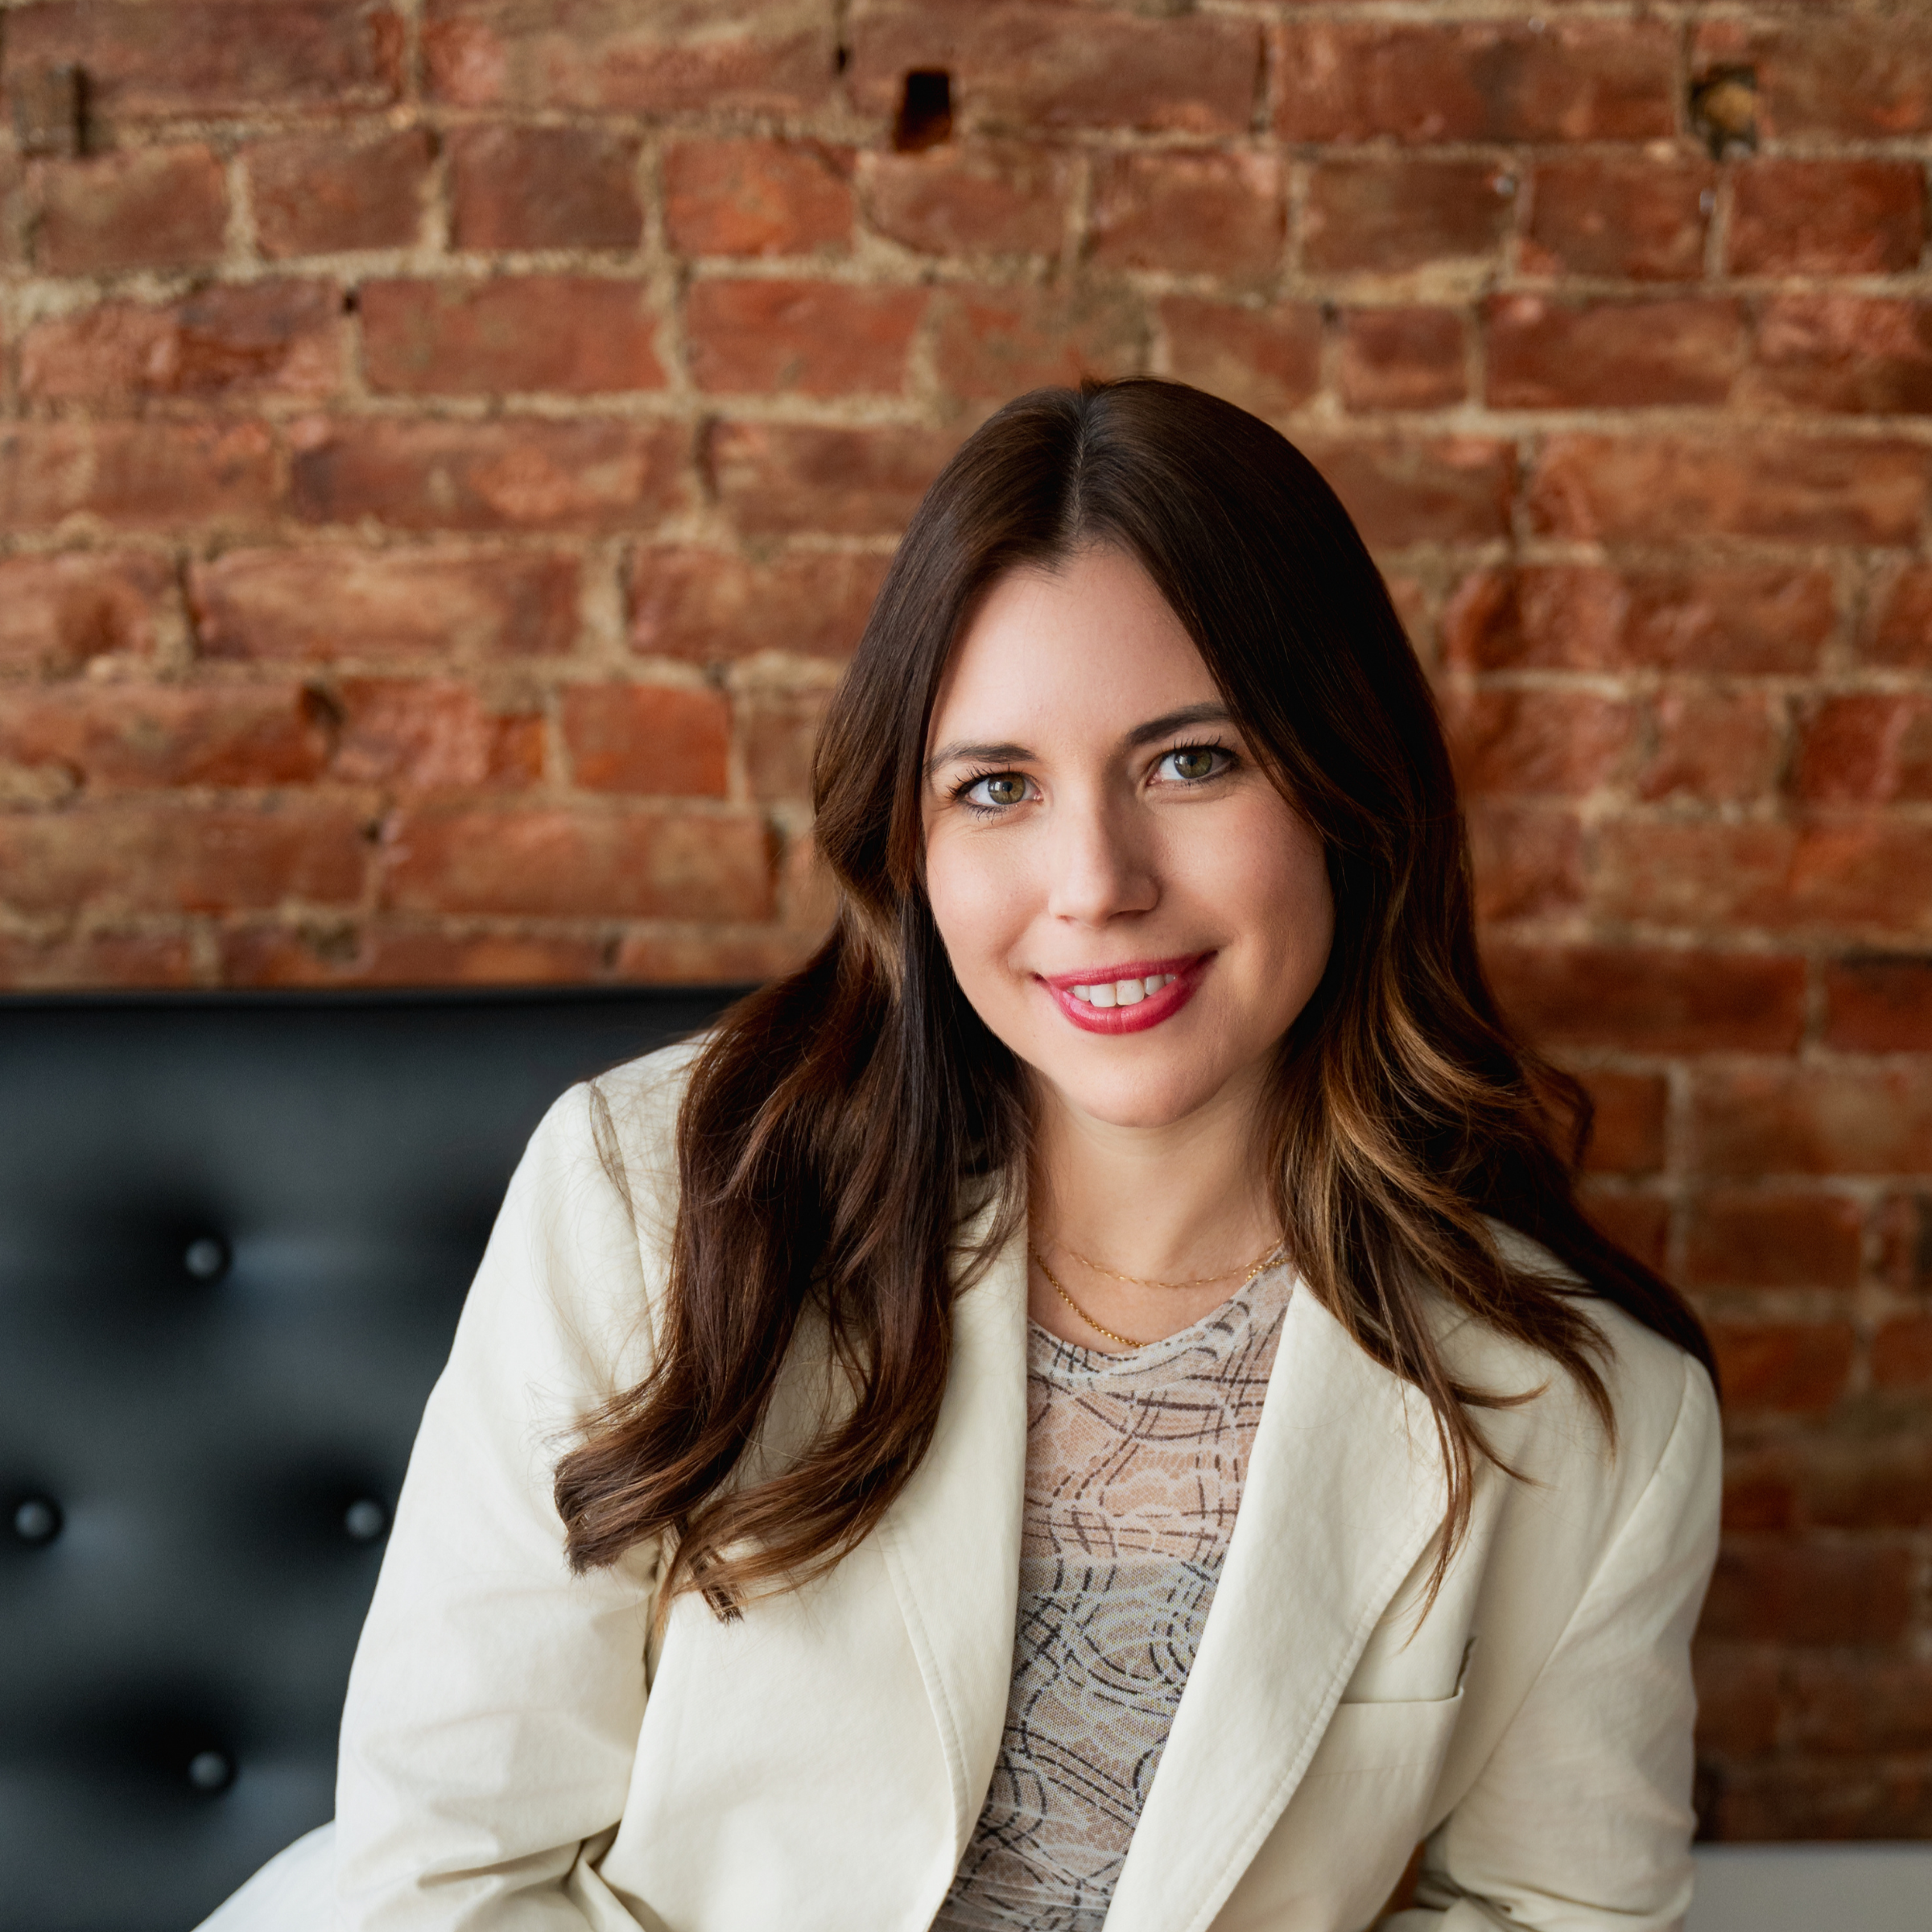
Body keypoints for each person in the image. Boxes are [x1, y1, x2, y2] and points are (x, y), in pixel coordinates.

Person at [204, 378, 1721, 1932]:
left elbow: (1559, 1919)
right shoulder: (650, 1199)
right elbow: (445, 1879)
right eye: (997, 788)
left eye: (1192, 762)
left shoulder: (1602, 1420)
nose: (1095, 883)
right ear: (911, 844)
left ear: (1350, 787)